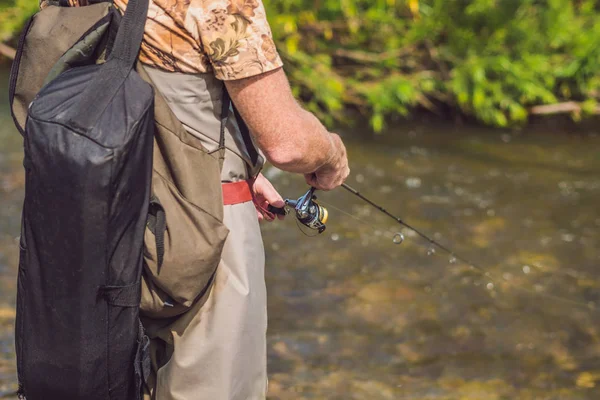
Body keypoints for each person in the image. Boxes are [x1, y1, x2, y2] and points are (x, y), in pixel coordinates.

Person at [54, 0, 350, 398]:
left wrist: (239, 167)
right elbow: (289, 144)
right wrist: (331, 153)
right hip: (201, 240)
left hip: (90, 215)